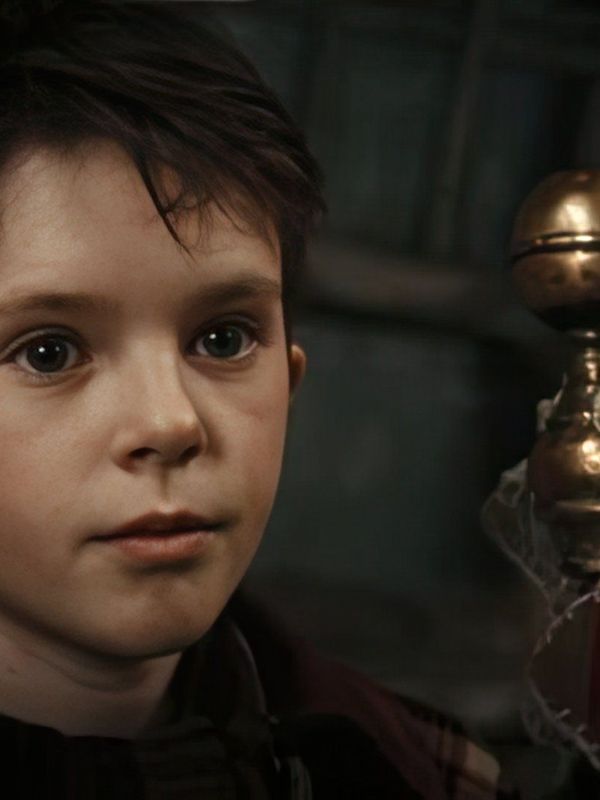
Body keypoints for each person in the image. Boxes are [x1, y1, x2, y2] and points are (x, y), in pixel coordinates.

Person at [0, 1, 517, 797]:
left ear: (290, 381)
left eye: (223, 339)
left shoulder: (417, 772)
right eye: (49, 352)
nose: (171, 422)